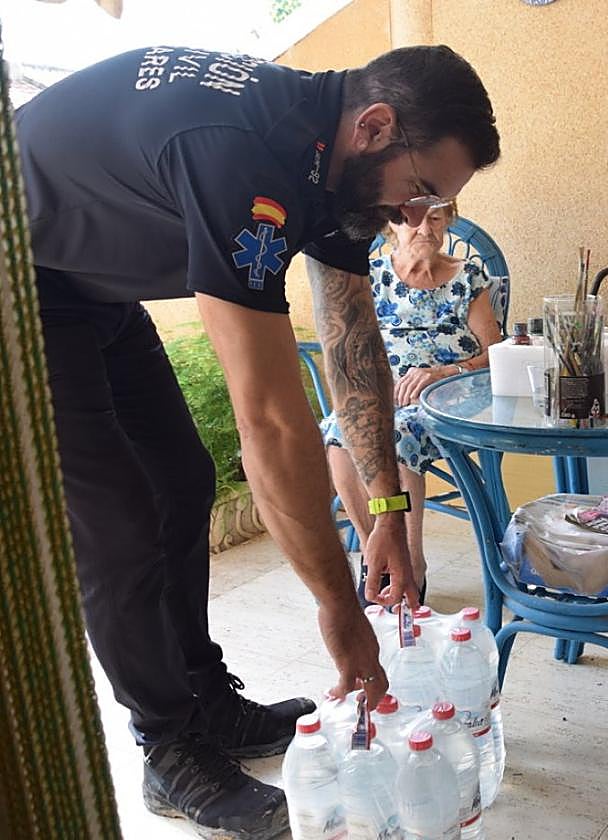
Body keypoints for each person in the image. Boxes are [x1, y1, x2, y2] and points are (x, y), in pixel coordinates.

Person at [18, 44, 498, 838]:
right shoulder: (240, 157)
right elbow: (270, 423)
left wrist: (385, 508)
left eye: (434, 203)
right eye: (419, 191)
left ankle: (203, 699)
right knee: (118, 524)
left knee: (180, 479)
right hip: (20, 279)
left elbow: (353, 347)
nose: (416, 219)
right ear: (376, 127)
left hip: (95, 289)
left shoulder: (336, 164)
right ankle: (169, 748)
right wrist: (339, 609)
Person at [322, 202, 503, 602]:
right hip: (381, 390)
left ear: (447, 222)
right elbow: (352, 345)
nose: (425, 229)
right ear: (391, 226)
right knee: (340, 433)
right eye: (413, 221)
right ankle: (376, 556)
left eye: (436, 218)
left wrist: (441, 373)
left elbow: (494, 352)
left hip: (448, 396)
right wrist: (372, 383)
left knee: (399, 434)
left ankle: (410, 560)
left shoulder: (467, 277)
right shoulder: (371, 274)